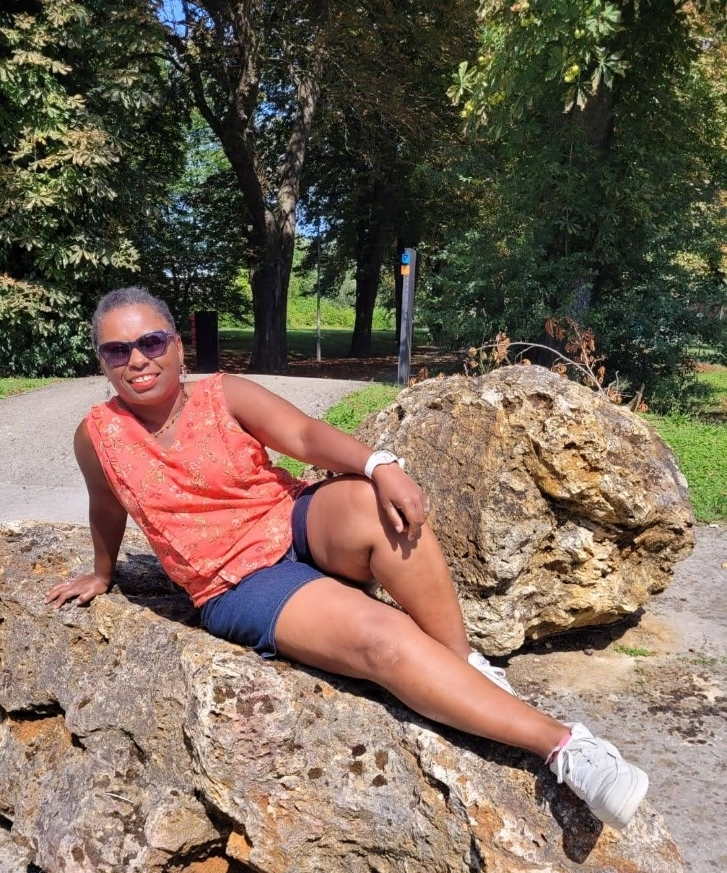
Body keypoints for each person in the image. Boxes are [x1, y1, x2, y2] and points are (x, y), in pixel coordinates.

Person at [45, 287, 649, 830]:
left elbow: (304, 436)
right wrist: (102, 572)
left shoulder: (222, 394)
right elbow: (107, 505)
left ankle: (462, 663)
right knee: (381, 640)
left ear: (177, 345)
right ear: (103, 361)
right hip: (237, 581)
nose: (137, 360)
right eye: (117, 350)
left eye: (151, 342)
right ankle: (566, 748)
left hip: (288, 518)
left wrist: (380, 465)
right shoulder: (97, 435)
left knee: (371, 503)